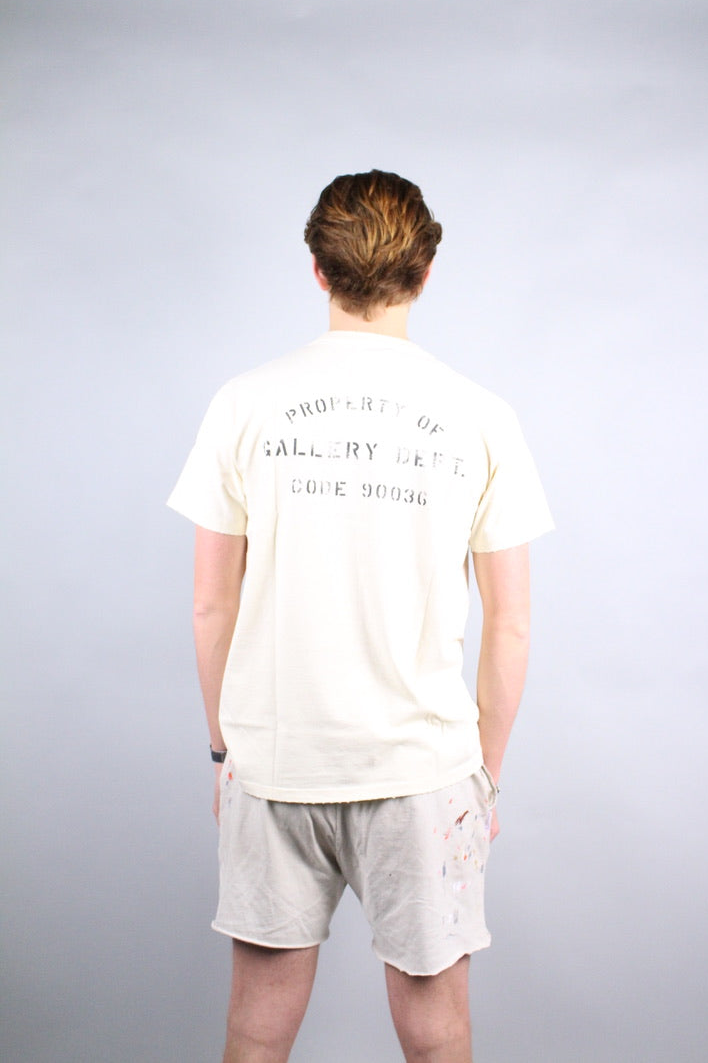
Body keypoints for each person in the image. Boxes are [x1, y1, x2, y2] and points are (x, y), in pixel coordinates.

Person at [168, 170, 554, 1063]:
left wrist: (226, 752)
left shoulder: (244, 403)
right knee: (438, 1035)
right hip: (425, 773)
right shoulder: (481, 417)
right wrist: (484, 781)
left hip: (276, 762)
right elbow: (511, 623)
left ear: (318, 269)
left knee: (257, 1032)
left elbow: (211, 602)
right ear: (425, 273)